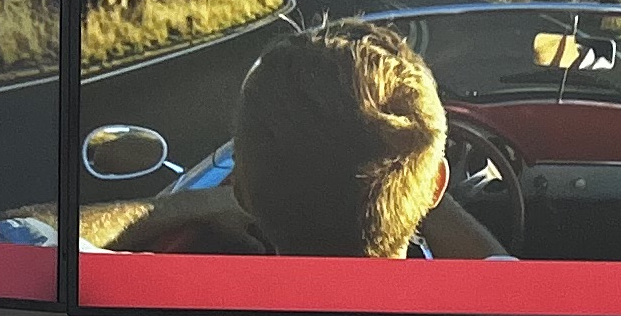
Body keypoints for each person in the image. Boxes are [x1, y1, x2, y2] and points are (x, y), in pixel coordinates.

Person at [102, 24, 506, 258]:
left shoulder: (177, 309)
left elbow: (38, 233)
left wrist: (197, 202)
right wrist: (414, 186)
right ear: (439, 184)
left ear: (241, 191)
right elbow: (501, 266)